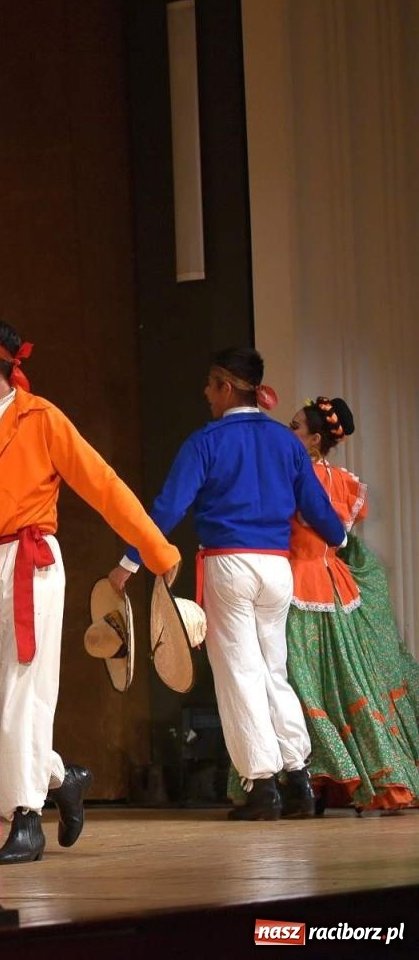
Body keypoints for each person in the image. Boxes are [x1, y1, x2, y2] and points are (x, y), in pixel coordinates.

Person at [0, 319, 179, 864]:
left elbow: (103, 485)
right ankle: (60, 776)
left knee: (25, 688)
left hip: (32, 560)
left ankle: (26, 819)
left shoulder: (40, 417)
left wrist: (157, 551)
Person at [107, 349, 345, 822]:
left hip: (229, 563)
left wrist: (130, 561)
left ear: (224, 385)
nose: (204, 394)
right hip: (276, 568)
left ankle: (261, 786)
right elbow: (319, 509)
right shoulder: (286, 442)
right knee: (273, 669)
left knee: (240, 672)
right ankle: (297, 779)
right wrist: (339, 537)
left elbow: (169, 507)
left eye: (209, 384)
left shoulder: (206, 441)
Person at [275, 397, 418, 811]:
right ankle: (328, 777)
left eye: (295, 426)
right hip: (335, 587)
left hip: (300, 583)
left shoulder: (297, 476)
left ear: (314, 439)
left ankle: (313, 779)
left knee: (300, 680)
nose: (289, 431)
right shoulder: (342, 481)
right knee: (336, 681)